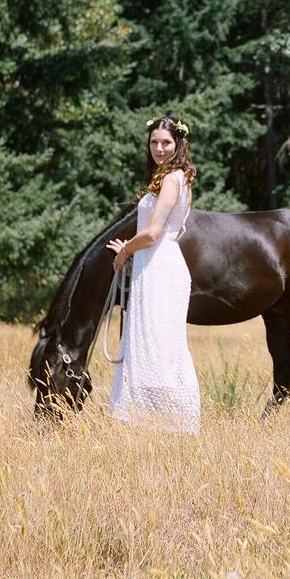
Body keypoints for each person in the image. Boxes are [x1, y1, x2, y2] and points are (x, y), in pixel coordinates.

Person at [104, 116, 200, 434]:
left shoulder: (172, 179)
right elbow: (175, 227)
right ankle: (154, 422)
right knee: (152, 343)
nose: (159, 148)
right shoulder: (174, 178)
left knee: (157, 346)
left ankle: (165, 422)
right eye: (154, 142)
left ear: (178, 144)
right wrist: (134, 247)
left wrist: (126, 251)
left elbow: (154, 232)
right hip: (156, 263)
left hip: (160, 268)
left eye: (166, 143)